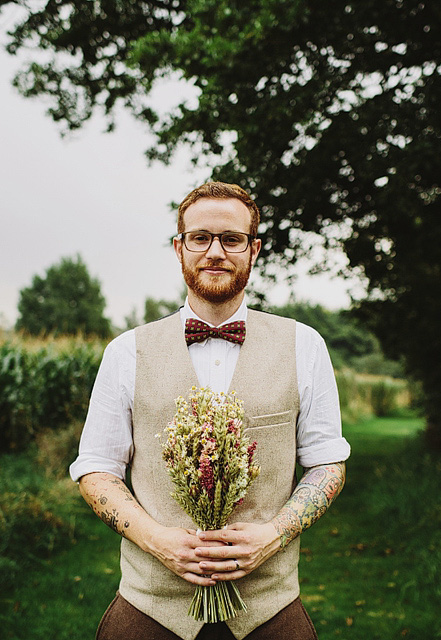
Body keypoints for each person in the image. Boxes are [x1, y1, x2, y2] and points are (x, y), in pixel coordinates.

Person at [69, 181, 350, 640]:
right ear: (179, 248)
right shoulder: (125, 352)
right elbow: (97, 469)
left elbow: (327, 463)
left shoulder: (304, 345)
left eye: (232, 239)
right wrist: (158, 542)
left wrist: (274, 535)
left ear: (253, 250)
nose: (215, 252)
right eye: (200, 238)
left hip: (269, 607)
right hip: (149, 607)